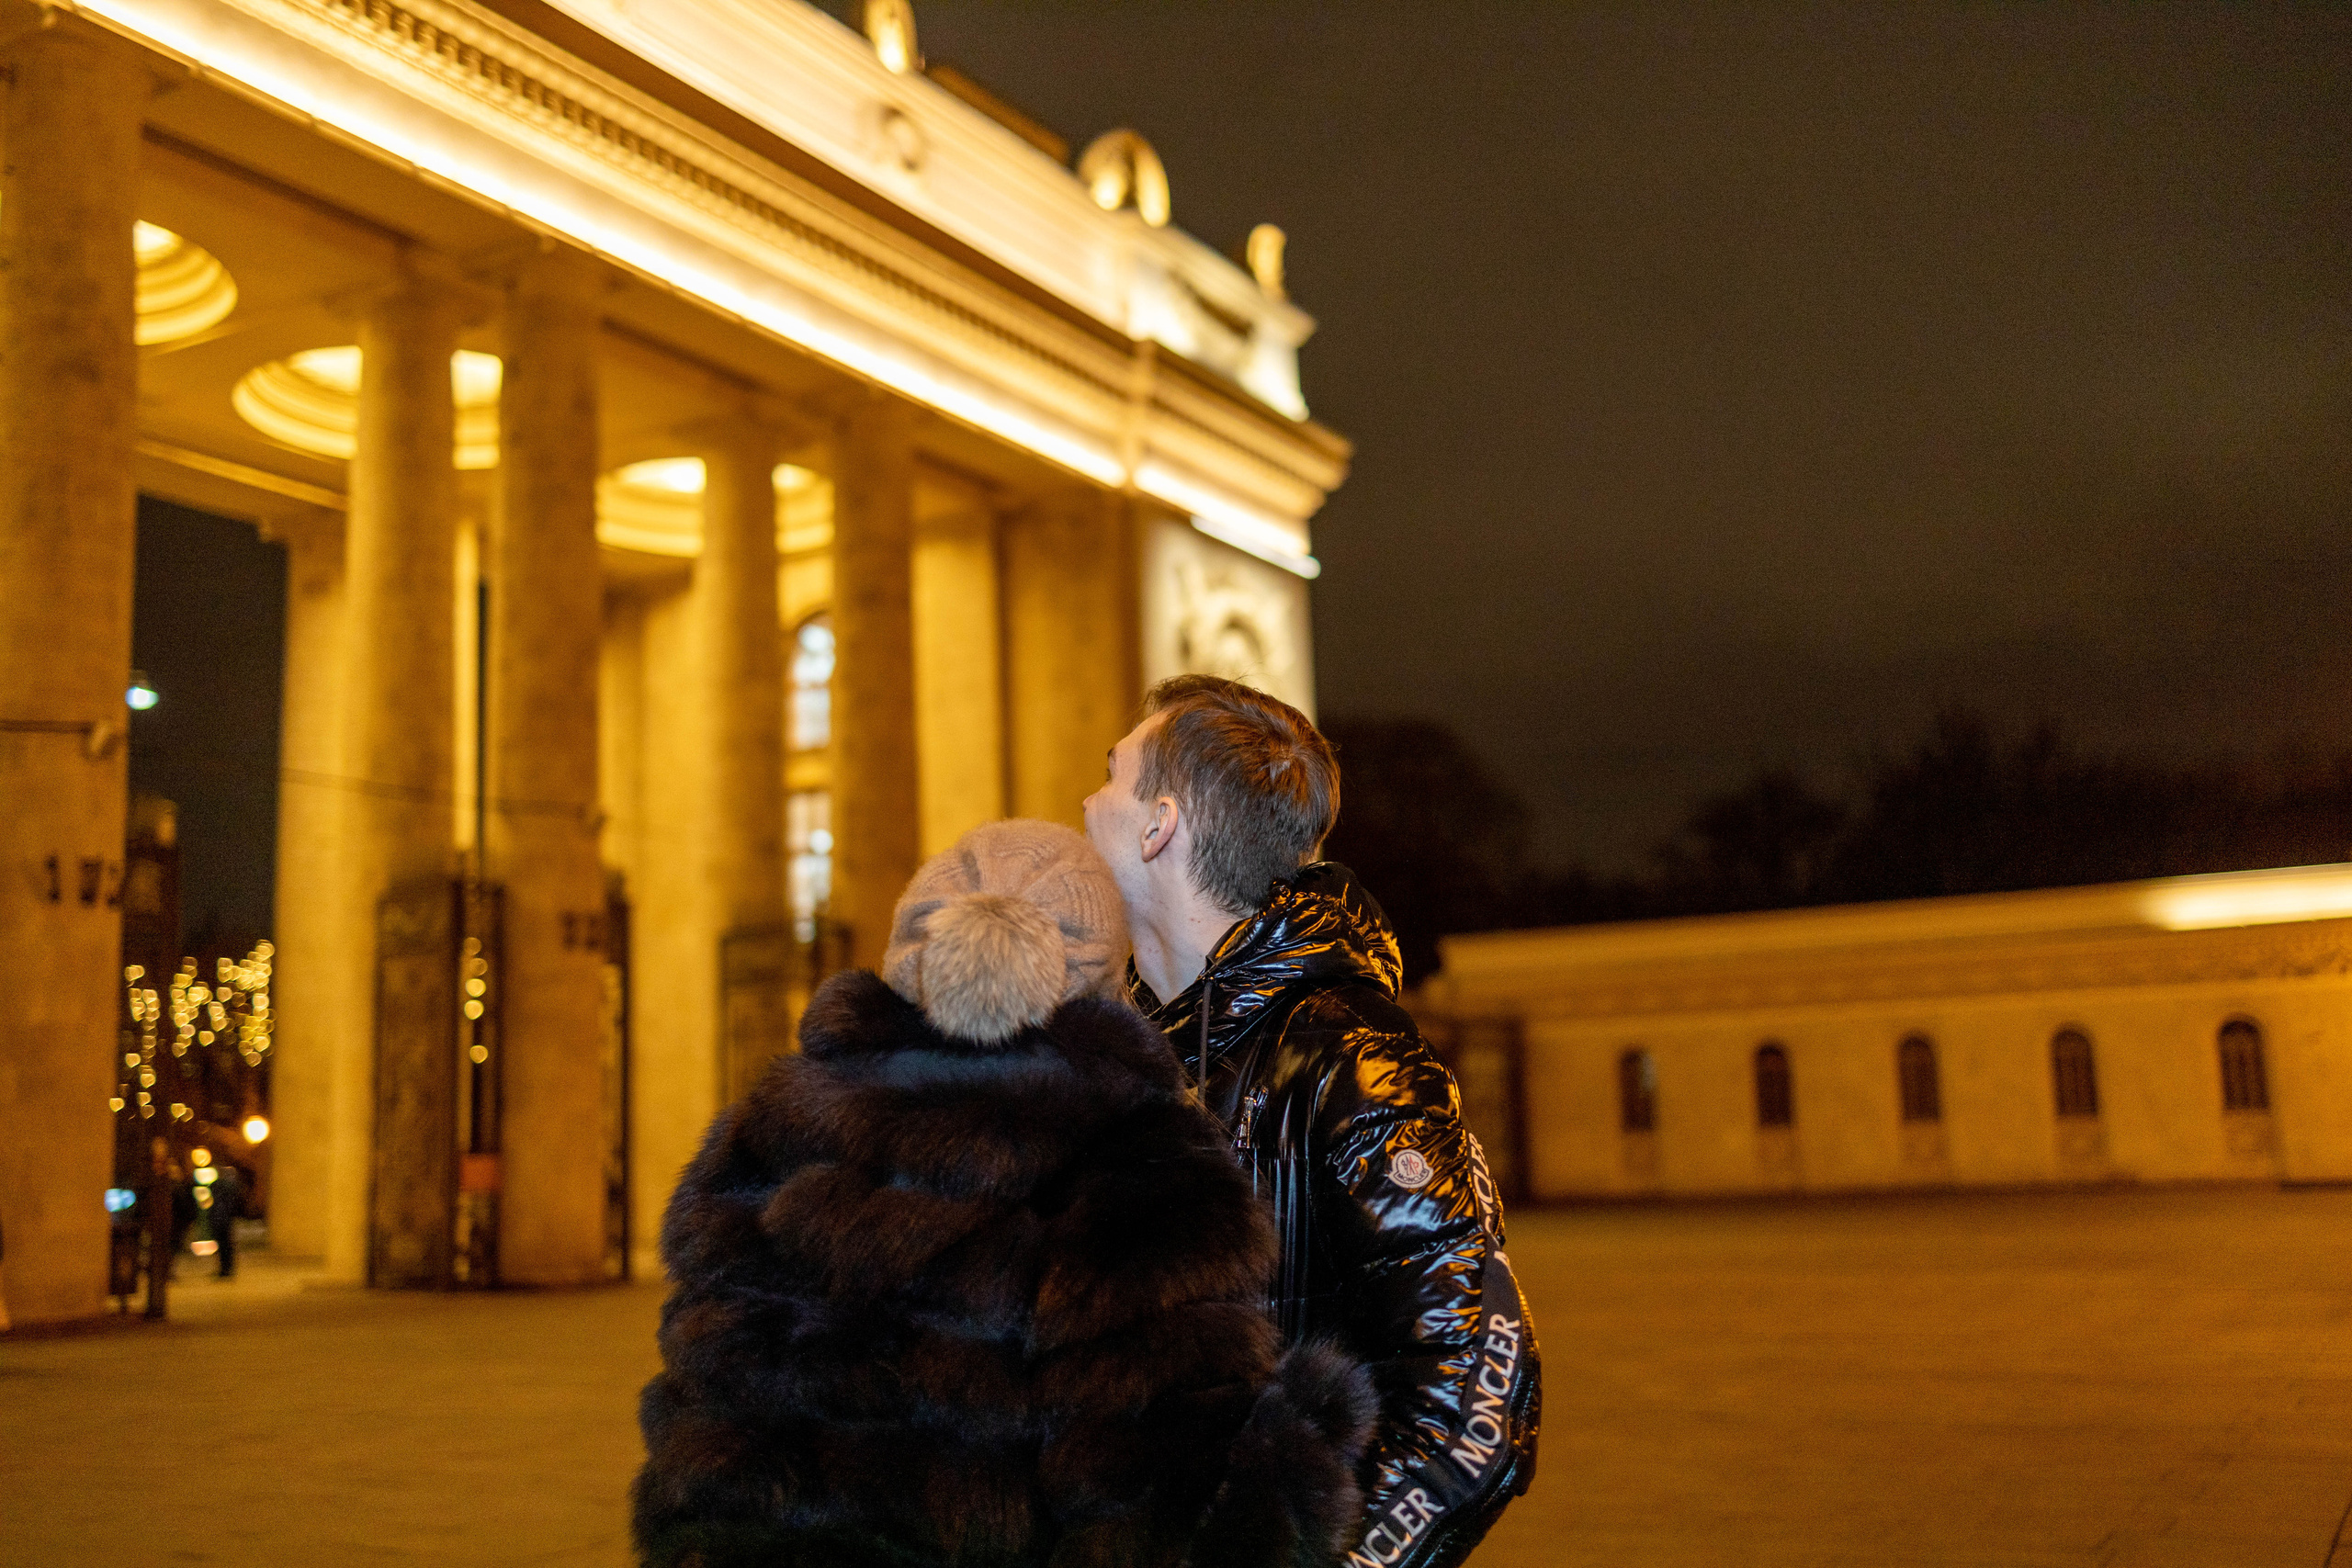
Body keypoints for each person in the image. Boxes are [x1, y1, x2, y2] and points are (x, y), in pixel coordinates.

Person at [634, 819, 1377, 1568]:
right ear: (1102, 980)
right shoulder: (1145, 1161)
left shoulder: (771, 1128)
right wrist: (1297, 1456)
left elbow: (705, 1419)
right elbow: (1166, 1504)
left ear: (906, 951)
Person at [1084, 676, 1542, 1568]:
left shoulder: (1353, 1061)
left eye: (1110, 777)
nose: (1085, 802)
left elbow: (1476, 1410)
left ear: (1158, 826)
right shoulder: (1131, 1058)